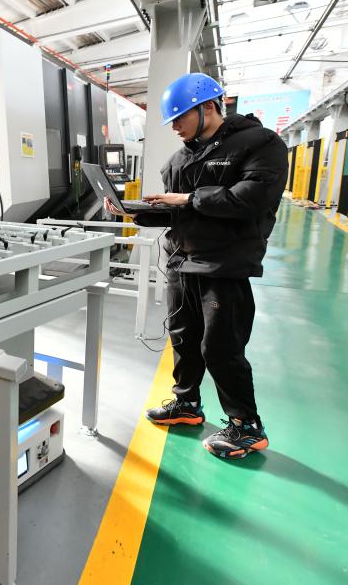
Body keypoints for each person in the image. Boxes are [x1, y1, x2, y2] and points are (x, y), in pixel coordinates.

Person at [104, 72, 287, 459]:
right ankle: (187, 403)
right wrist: (131, 212)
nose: (175, 127)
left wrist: (187, 199)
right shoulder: (180, 159)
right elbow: (176, 214)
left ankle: (246, 425)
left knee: (220, 347)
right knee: (183, 338)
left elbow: (251, 199)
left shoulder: (259, 143)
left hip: (224, 264)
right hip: (182, 262)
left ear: (207, 107)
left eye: (180, 117)